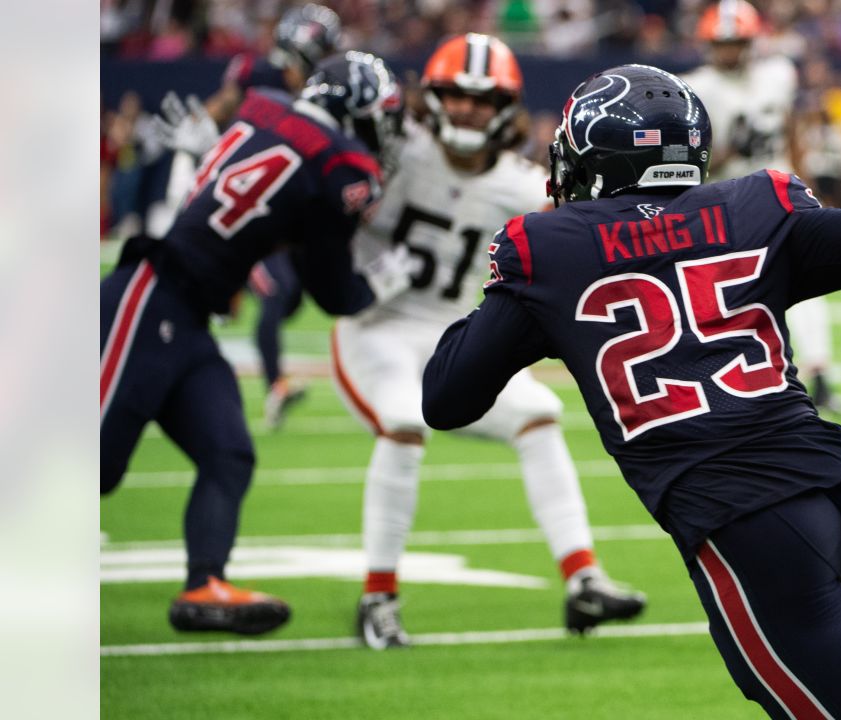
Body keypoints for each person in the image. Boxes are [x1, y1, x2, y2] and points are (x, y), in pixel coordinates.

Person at [422, 64, 841, 720]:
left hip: (744, 519)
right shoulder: (754, 207)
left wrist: (513, 298)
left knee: (806, 639)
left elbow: (446, 399)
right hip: (839, 492)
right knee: (820, 631)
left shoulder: (549, 250)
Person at [331, 34, 646, 650]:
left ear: (507, 106)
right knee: (403, 421)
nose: (469, 108)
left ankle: (584, 578)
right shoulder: (396, 153)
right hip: (378, 331)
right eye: (456, 94)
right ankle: (378, 597)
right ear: (432, 97)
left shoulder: (524, 185)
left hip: (453, 332)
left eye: (484, 98)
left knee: (539, 413)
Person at [101, 52, 412, 635]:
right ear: (358, 114)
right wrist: (388, 276)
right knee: (94, 463)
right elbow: (335, 292)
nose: (385, 135)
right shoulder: (342, 164)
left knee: (228, 451)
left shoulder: (263, 104)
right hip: (150, 296)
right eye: (381, 119)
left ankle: (204, 585)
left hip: (191, 315)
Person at [154, 3, 344, 428]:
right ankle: (273, 384)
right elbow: (218, 109)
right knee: (275, 291)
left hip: (289, 211)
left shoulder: (324, 92)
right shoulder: (255, 75)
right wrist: (195, 139)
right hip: (247, 207)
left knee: (291, 295)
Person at [681, 0, 841, 413]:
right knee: (726, 294)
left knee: (809, 284)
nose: (729, 51)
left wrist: (803, 178)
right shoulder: (696, 86)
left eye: (736, 42)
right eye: (723, 43)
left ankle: (819, 374)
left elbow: (791, 128)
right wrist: (731, 151)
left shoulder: (778, 74)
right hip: (728, 202)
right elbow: (691, 159)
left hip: (779, 194)